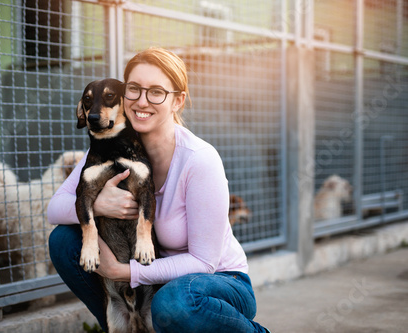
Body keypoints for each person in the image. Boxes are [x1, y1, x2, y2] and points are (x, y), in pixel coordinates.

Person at [47, 47, 269, 333]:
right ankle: (125, 326)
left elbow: (204, 262)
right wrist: (100, 204)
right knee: (64, 240)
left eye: (156, 92)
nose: (142, 101)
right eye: (134, 90)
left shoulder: (199, 159)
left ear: (178, 100)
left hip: (216, 283)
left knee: (174, 302)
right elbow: (56, 207)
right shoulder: (111, 145)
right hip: (158, 278)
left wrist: (124, 272)